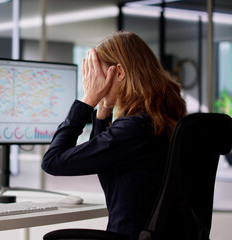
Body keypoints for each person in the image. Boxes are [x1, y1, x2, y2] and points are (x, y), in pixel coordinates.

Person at [42, 31, 187, 240]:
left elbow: (53, 161)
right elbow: (104, 157)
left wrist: (88, 99)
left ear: (119, 72)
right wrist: (104, 109)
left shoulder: (133, 129)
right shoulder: (159, 121)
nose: (93, 81)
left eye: (97, 75)